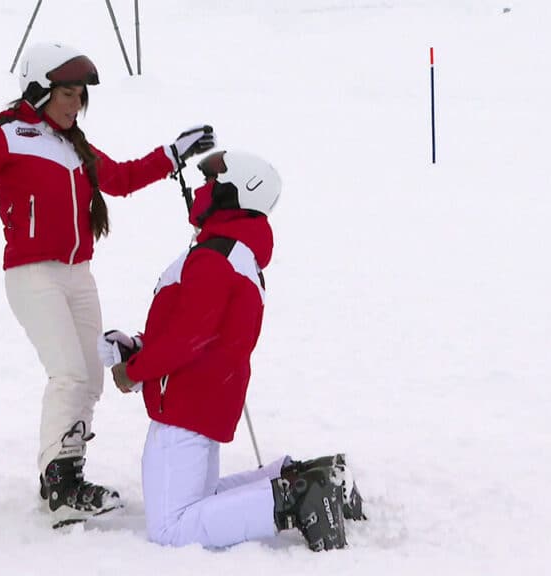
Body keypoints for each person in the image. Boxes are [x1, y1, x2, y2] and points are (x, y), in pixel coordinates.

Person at [0, 41, 217, 528]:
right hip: (33, 274)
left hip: (78, 274)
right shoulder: (8, 133)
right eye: (66, 93)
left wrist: (172, 155)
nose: (75, 103)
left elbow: (120, 178)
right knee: (69, 373)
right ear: (38, 91)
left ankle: (65, 474)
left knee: (92, 378)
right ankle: (61, 485)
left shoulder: (73, 144)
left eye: (80, 95)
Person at [99, 150, 365, 551]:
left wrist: (134, 370)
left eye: (210, 182)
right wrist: (138, 348)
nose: (201, 189)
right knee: (195, 504)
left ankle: (296, 497)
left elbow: (191, 336)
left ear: (235, 192)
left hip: (185, 405)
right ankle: (307, 476)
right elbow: (201, 331)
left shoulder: (215, 256)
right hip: (204, 396)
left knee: (171, 528)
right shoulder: (233, 252)